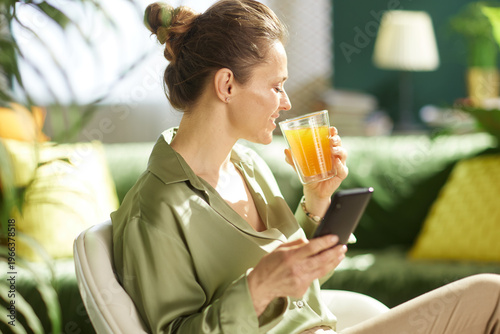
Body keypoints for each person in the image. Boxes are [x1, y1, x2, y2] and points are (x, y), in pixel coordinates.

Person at [111, 1, 500, 333]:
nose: (286, 103)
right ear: (227, 86)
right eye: (276, 86)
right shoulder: (156, 208)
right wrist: (256, 289)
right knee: (490, 295)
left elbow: (299, 289)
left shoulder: (248, 166)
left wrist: (317, 199)